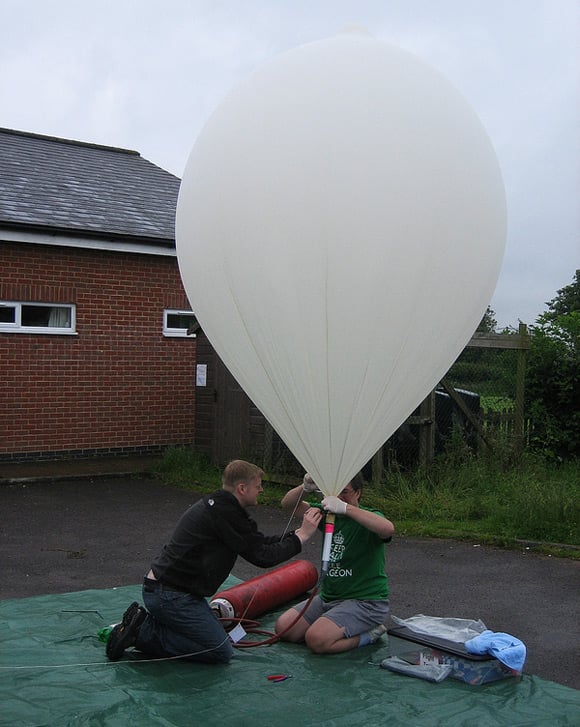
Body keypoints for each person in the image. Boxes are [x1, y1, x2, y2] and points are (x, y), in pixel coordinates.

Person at [106, 459, 322, 664]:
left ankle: (149, 625)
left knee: (212, 640)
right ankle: (142, 632)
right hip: (170, 595)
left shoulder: (223, 507)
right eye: (258, 486)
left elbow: (258, 543)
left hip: (171, 591)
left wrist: (296, 534)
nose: (262, 490)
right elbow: (262, 557)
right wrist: (302, 536)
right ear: (241, 488)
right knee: (219, 650)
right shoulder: (224, 514)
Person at [275, 473, 394, 654]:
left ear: (358, 493)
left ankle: (369, 635)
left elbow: (387, 529)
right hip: (329, 597)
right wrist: (305, 488)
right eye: (334, 493)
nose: (338, 498)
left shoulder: (368, 516)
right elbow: (288, 505)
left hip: (366, 602)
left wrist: (345, 508)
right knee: (284, 628)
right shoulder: (327, 514)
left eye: (344, 492)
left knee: (317, 640)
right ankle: (334, 624)